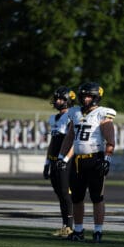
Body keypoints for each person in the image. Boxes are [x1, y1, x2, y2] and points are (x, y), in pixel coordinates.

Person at [57, 82, 116, 243]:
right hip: (77, 161)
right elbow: (70, 137)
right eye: (83, 95)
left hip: (95, 159)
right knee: (77, 198)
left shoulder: (102, 113)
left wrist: (107, 159)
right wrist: (62, 157)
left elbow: (110, 139)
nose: (85, 98)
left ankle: (98, 231)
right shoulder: (75, 112)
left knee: (97, 197)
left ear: (97, 97)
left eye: (89, 96)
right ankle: (78, 230)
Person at [43, 86, 76, 237]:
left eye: (61, 98)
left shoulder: (71, 116)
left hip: (65, 160)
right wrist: (47, 163)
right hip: (55, 160)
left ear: (69, 100)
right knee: (59, 193)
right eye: (56, 98)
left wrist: (65, 159)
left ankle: (70, 227)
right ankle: (65, 226)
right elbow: (53, 142)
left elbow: (72, 141)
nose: (57, 101)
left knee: (65, 193)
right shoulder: (54, 118)